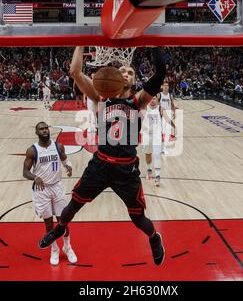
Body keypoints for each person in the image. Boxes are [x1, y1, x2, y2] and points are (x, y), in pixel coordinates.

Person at [38, 46, 167, 266]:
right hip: (101, 164)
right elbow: (75, 73)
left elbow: (161, 74)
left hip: (126, 170)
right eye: (122, 71)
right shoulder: (99, 98)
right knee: (73, 206)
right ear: (115, 77)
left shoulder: (139, 101)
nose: (125, 74)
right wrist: (81, 43)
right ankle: (60, 229)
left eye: (130, 72)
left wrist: (154, 44)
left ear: (134, 81)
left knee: (138, 218)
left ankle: (155, 238)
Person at [23, 122, 78, 265]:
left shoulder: (58, 146)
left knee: (63, 221)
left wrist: (69, 167)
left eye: (46, 128)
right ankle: (54, 250)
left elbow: (65, 160)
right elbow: (25, 172)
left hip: (57, 186)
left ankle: (68, 247)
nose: (45, 130)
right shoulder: (32, 151)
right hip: (42, 190)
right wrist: (35, 177)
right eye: (41, 129)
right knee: (48, 224)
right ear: (37, 132)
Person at [142, 96, 163, 187]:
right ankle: (149, 170)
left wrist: (173, 127)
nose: (152, 100)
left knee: (157, 155)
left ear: (157, 100)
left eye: (154, 99)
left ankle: (158, 176)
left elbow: (166, 118)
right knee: (148, 154)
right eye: (150, 98)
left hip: (157, 134)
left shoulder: (160, 108)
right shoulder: (144, 108)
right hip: (146, 134)